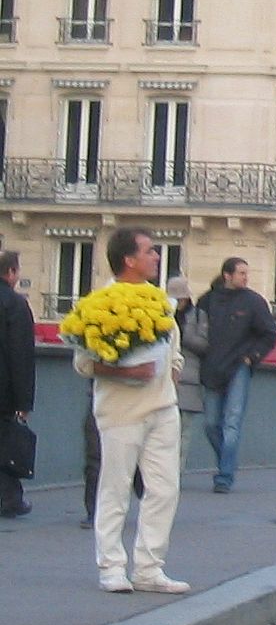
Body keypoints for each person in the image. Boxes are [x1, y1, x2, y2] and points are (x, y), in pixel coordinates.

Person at [76, 229, 188, 593]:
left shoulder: (161, 302)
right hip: (121, 411)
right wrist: (127, 371)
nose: (156, 256)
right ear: (129, 259)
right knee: (115, 488)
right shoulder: (100, 302)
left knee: (165, 489)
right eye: (150, 251)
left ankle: (149, 568)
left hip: (163, 407)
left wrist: (172, 373)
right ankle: (111, 566)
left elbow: (176, 351)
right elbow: (84, 363)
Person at [199, 257, 276, 494]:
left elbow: (270, 334)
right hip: (212, 368)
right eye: (241, 273)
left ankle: (224, 476)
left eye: (247, 273)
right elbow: (195, 330)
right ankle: (228, 459)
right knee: (211, 424)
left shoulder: (253, 302)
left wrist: (251, 357)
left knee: (232, 423)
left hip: (239, 368)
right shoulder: (208, 300)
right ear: (227, 275)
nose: (246, 277)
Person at [0, 250, 35, 519]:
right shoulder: (14, 304)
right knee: (5, 445)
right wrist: (24, 402)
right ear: (11, 273)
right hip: (4, 390)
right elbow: (20, 355)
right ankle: (10, 500)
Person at [169, 276, 209, 481]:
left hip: (190, 379)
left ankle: (177, 473)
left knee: (184, 431)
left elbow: (204, 345)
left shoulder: (198, 316)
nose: (177, 303)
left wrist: (183, 335)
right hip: (165, 379)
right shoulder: (160, 315)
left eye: (180, 299)